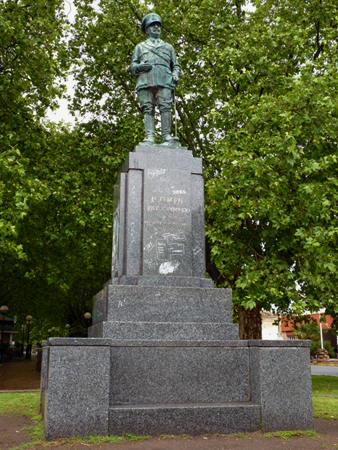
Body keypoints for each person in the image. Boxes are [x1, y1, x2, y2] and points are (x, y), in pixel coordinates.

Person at [129, 13, 181, 147]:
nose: (156, 27)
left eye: (158, 25)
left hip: (165, 81)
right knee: (148, 108)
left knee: (165, 107)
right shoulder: (140, 47)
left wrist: (175, 75)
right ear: (147, 29)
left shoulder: (168, 47)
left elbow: (176, 66)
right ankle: (150, 137)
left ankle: (166, 136)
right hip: (145, 80)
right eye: (153, 25)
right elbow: (132, 67)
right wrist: (139, 67)